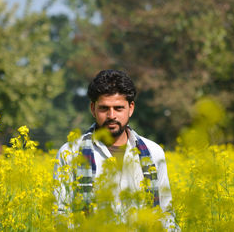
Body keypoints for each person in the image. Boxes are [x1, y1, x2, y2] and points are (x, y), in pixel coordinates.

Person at [54, 69, 180, 231]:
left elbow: (165, 213)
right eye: (104, 108)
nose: (111, 115)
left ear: (131, 108)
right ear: (93, 109)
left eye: (119, 108)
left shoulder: (153, 152)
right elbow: (61, 215)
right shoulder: (70, 153)